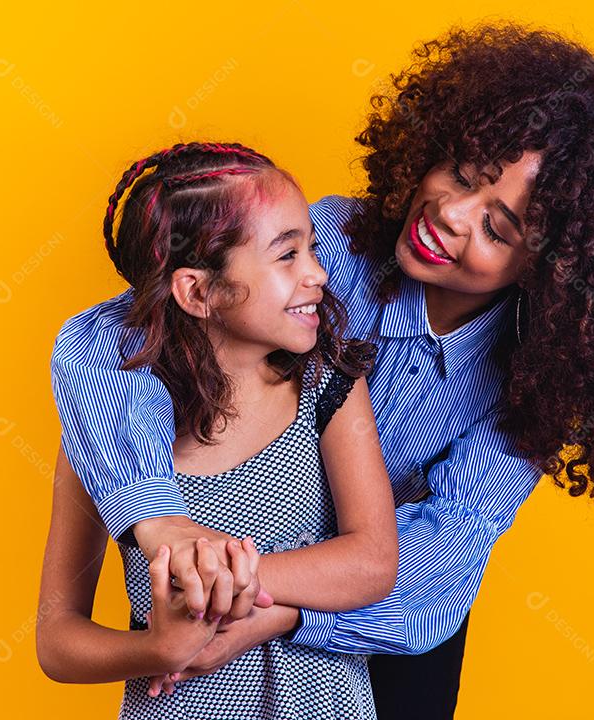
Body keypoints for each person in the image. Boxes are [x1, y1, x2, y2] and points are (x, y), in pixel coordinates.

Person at [45, 22, 594, 719]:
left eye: (498, 228)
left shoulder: (528, 386)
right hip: (215, 596)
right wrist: (161, 527)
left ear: (552, 270)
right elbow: (106, 344)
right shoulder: (321, 251)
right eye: (460, 174)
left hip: (379, 626)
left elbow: (444, 551)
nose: (451, 214)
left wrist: (263, 597)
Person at [37, 141, 398, 719]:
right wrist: (154, 648)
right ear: (199, 291)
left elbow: (374, 561)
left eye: (310, 246)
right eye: (287, 255)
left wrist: (234, 582)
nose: (318, 272)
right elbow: (57, 639)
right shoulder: (103, 432)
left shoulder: (327, 387)